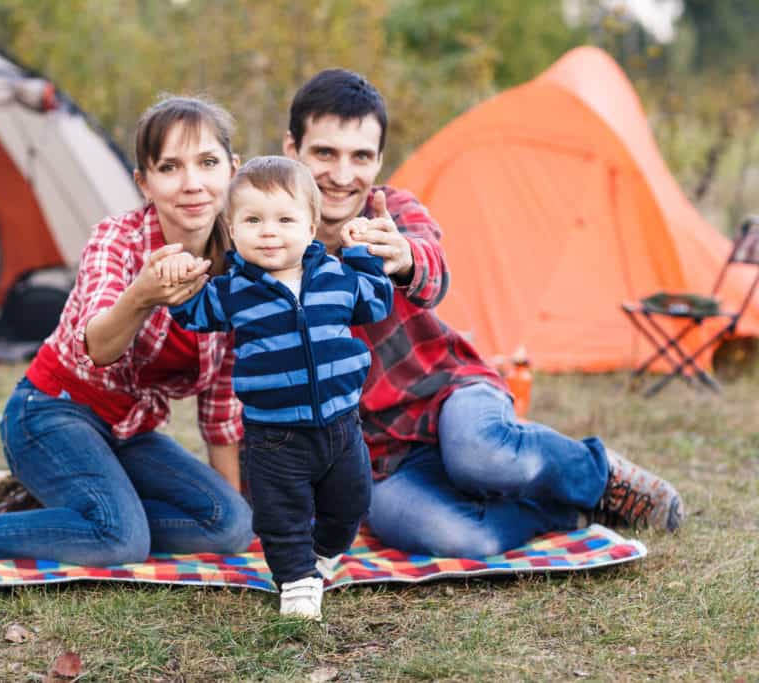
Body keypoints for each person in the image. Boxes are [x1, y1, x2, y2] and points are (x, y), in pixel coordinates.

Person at [0, 96, 255, 581]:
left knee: (229, 525)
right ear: (144, 182)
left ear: (232, 170)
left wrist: (236, 524)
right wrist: (141, 295)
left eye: (207, 163)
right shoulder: (116, 241)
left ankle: (67, 514)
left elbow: (221, 409)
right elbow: (98, 346)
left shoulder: (243, 268)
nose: (192, 184)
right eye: (169, 167)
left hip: (131, 431)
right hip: (52, 411)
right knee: (122, 539)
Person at [280, 68, 684, 559]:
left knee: (480, 454)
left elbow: (431, 266)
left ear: (379, 160)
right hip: (381, 457)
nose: (343, 176)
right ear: (291, 150)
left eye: (360, 156)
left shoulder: (391, 213)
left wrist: (403, 257)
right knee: (463, 538)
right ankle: (560, 511)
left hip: (451, 395)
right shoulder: (268, 243)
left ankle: (598, 474)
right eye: (325, 153)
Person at [165, 156, 394, 619]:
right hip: (274, 434)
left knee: (352, 501)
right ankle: (295, 579)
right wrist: (181, 280)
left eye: (284, 219)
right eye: (253, 220)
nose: (269, 231)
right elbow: (191, 314)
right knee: (279, 514)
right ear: (232, 229)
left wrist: (361, 255)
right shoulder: (233, 290)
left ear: (311, 227)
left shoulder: (336, 276)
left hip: (342, 424)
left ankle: (323, 556)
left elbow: (376, 302)